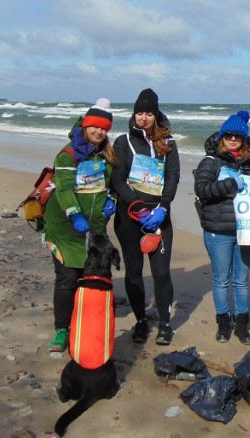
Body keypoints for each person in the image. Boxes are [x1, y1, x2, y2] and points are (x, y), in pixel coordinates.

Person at [44, 98, 117, 352]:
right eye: (95, 126)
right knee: (67, 278)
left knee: (89, 277)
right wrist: (75, 214)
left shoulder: (107, 154)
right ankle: (61, 331)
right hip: (65, 227)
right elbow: (63, 188)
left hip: (95, 226)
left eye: (105, 128)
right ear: (85, 125)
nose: (99, 132)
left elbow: (113, 185)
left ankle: (82, 324)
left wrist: (112, 201)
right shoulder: (68, 153)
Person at [111, 88, 180, 346]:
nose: (143, 118)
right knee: (134, 272)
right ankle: (140, 321)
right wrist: (137, 207)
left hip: (159, 218)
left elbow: (173, 176)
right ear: (134, 114)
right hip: (130, 217)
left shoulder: (168, 143)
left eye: (148, 113)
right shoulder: (122, 142)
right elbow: (117, 179)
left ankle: (164, 323)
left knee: (161, 273)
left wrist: (163, 207)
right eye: (139, 112)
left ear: (156, 114)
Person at [194, 110, 250, 345]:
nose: (233, 139)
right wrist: (231, 184)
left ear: (244, 139)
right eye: (229, 135)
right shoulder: (210, 161)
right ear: (222, 137)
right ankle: (223, 322)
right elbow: (202, 189)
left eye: (238, 136)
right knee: (222, 279)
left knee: (241, 281)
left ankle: (241, 323)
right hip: (217, 230)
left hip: (245, 231)